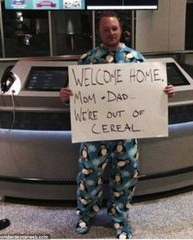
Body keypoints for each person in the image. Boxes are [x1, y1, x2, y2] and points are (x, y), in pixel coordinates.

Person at [59, 11, 175, 239]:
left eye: (114, 28)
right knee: (88, 177)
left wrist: (165, 92)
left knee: (127, 176)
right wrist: (64, 96)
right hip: (94, 135)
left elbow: (150, 93)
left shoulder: (137, 59)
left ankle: (120, 219)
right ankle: (85, 215)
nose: (111, 33)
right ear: (99, 32)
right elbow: (71, 96)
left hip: (127, 135)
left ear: (120, 30)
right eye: (106, 29)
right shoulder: (86, 60)